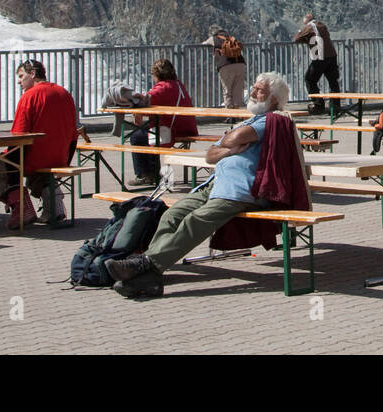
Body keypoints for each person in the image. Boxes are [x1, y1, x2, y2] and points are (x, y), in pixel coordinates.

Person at [105, 72, 306, 298]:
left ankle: (146, 267)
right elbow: (211, 155)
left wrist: (228, 142)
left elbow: (230, 138)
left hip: (241, 191)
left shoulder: (272, 121)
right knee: (172, 214)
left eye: (260, 90)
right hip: (216, 185)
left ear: (274, 101)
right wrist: (230, 149)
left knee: (195, 220)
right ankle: (150, 272)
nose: (252, 92)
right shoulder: (251, 121)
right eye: (254, 87)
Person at [0, 59, 79, 229]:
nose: (18, 81)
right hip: (59, 157)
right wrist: (66, 161)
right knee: (37, 170)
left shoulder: (29, 96)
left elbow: (18, 138)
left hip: (34, 158)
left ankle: (21, 206)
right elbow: (73, 133)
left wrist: (13, 174)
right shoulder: (64, 93)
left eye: (21, 76)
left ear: (32, 74)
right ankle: (53, 204)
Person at [128, 58, 198, 186]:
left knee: (138, 137)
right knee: (148, 135)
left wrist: (136, 110)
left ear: (157, 75)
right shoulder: (178, 85)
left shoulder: (163, 87)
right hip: (187, 126)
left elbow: (145, 100)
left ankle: (146, 175)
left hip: (173, 130)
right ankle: (153, 173)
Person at [294, 13, 340, 115]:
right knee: (333, 81)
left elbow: (296, 38)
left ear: (306, 21)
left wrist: (305, 38)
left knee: (309, 79)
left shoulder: (310, 26)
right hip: (332, 56)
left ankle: (318, 105)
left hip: (321, 57)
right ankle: (335, 107)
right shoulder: (321, 25)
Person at [202, 26, 247, 109]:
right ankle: (239, 114)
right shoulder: (230, 38)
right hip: (240, 63)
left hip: (225, 65)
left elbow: (204, 43)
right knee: (238, 91)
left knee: (227, 91)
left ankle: (230, 115)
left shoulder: (214, 38)